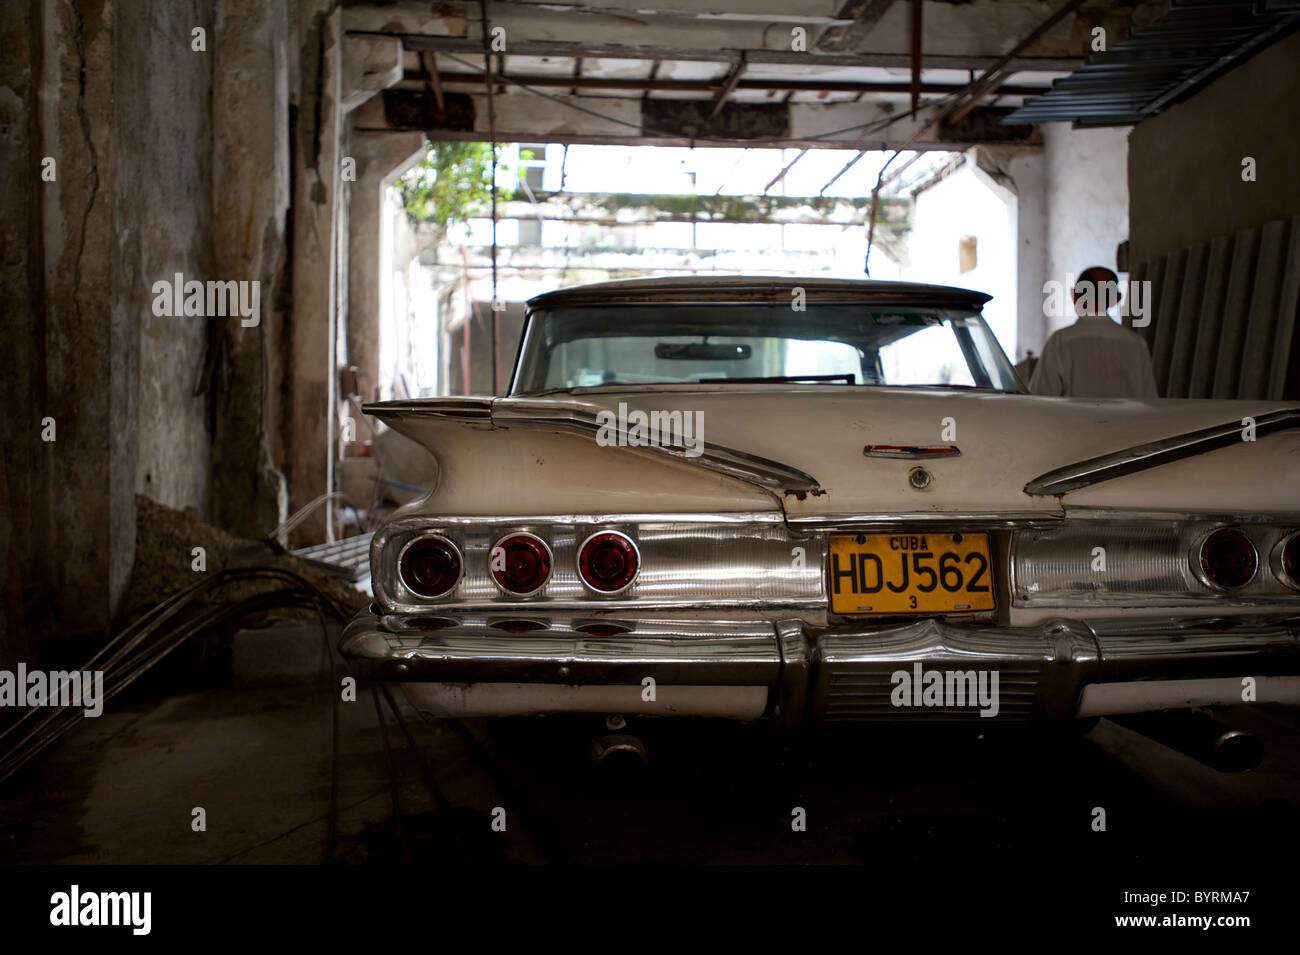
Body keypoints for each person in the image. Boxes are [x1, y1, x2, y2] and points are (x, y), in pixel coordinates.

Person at [1029, 266, 1159, 398]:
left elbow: (1038, 400)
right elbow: (1150, 402)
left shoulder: (1060, 342)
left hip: (1073, 419)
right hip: (1127, 420)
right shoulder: (1137, 345)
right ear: (1117, 298)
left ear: (1074, 295)